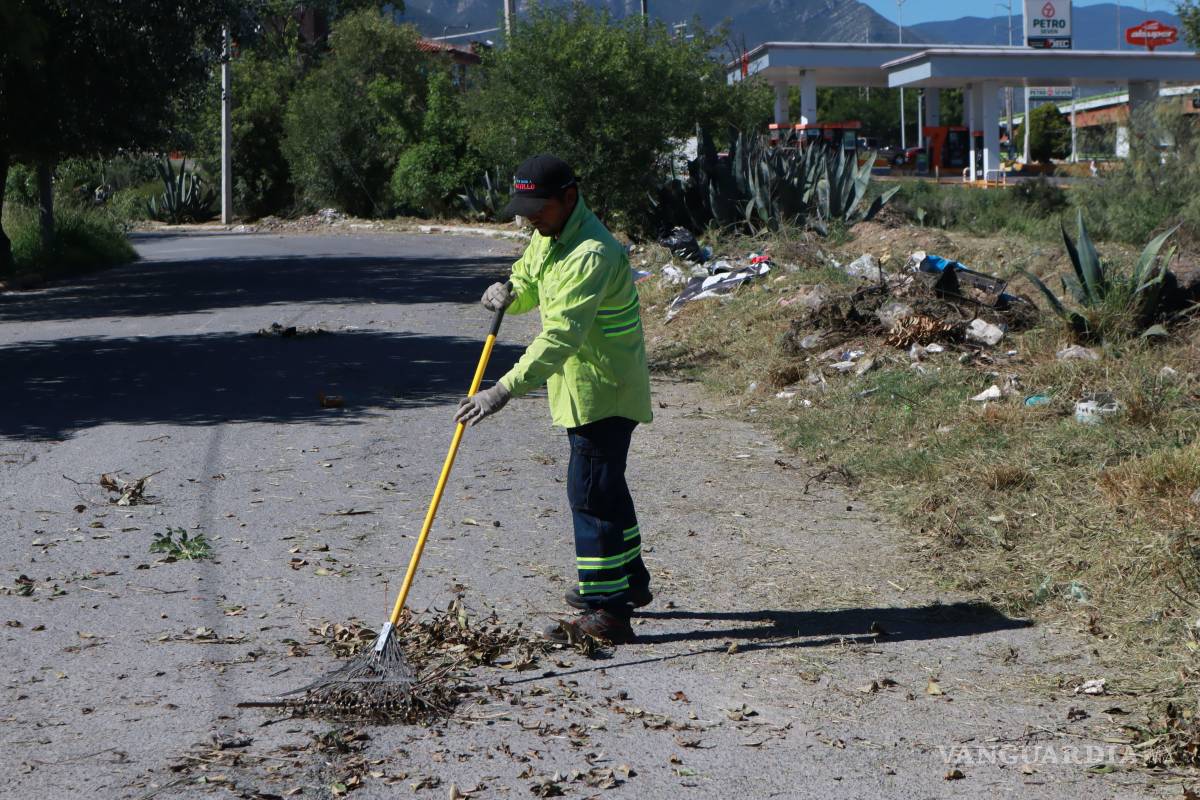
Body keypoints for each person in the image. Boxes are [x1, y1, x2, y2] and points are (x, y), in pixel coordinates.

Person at [454, 155, 653, 645]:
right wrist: (508, 293)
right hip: (584, 387)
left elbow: (560, 336)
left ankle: (607, 610)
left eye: (537, 208)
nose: (529, 220)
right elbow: (529, 277)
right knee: (606, 487)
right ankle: (630, 581)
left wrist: (502, 390)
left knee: (591, 495)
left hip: (603, 389)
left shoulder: (591, 253)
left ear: (568, 197)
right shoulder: (552, 236)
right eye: (524, 210)